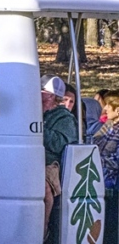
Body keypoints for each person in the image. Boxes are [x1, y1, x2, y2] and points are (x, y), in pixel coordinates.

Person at [41, 75, 78, 234]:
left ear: (50, 95)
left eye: (41, 91)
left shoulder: (64, 118)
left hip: (50, 163)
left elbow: (59, 144)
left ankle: (43, 229)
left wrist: (37, 130)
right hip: (28, 159)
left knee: (43, 187)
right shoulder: (32, 112)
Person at [93, 91, 119, 190]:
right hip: (98, 174)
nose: (105, 108)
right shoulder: (108, 125)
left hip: (112, 180)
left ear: (118, 110)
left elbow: (116, 161)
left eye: (108, 105)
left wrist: (96, 160)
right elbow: (94, 142)